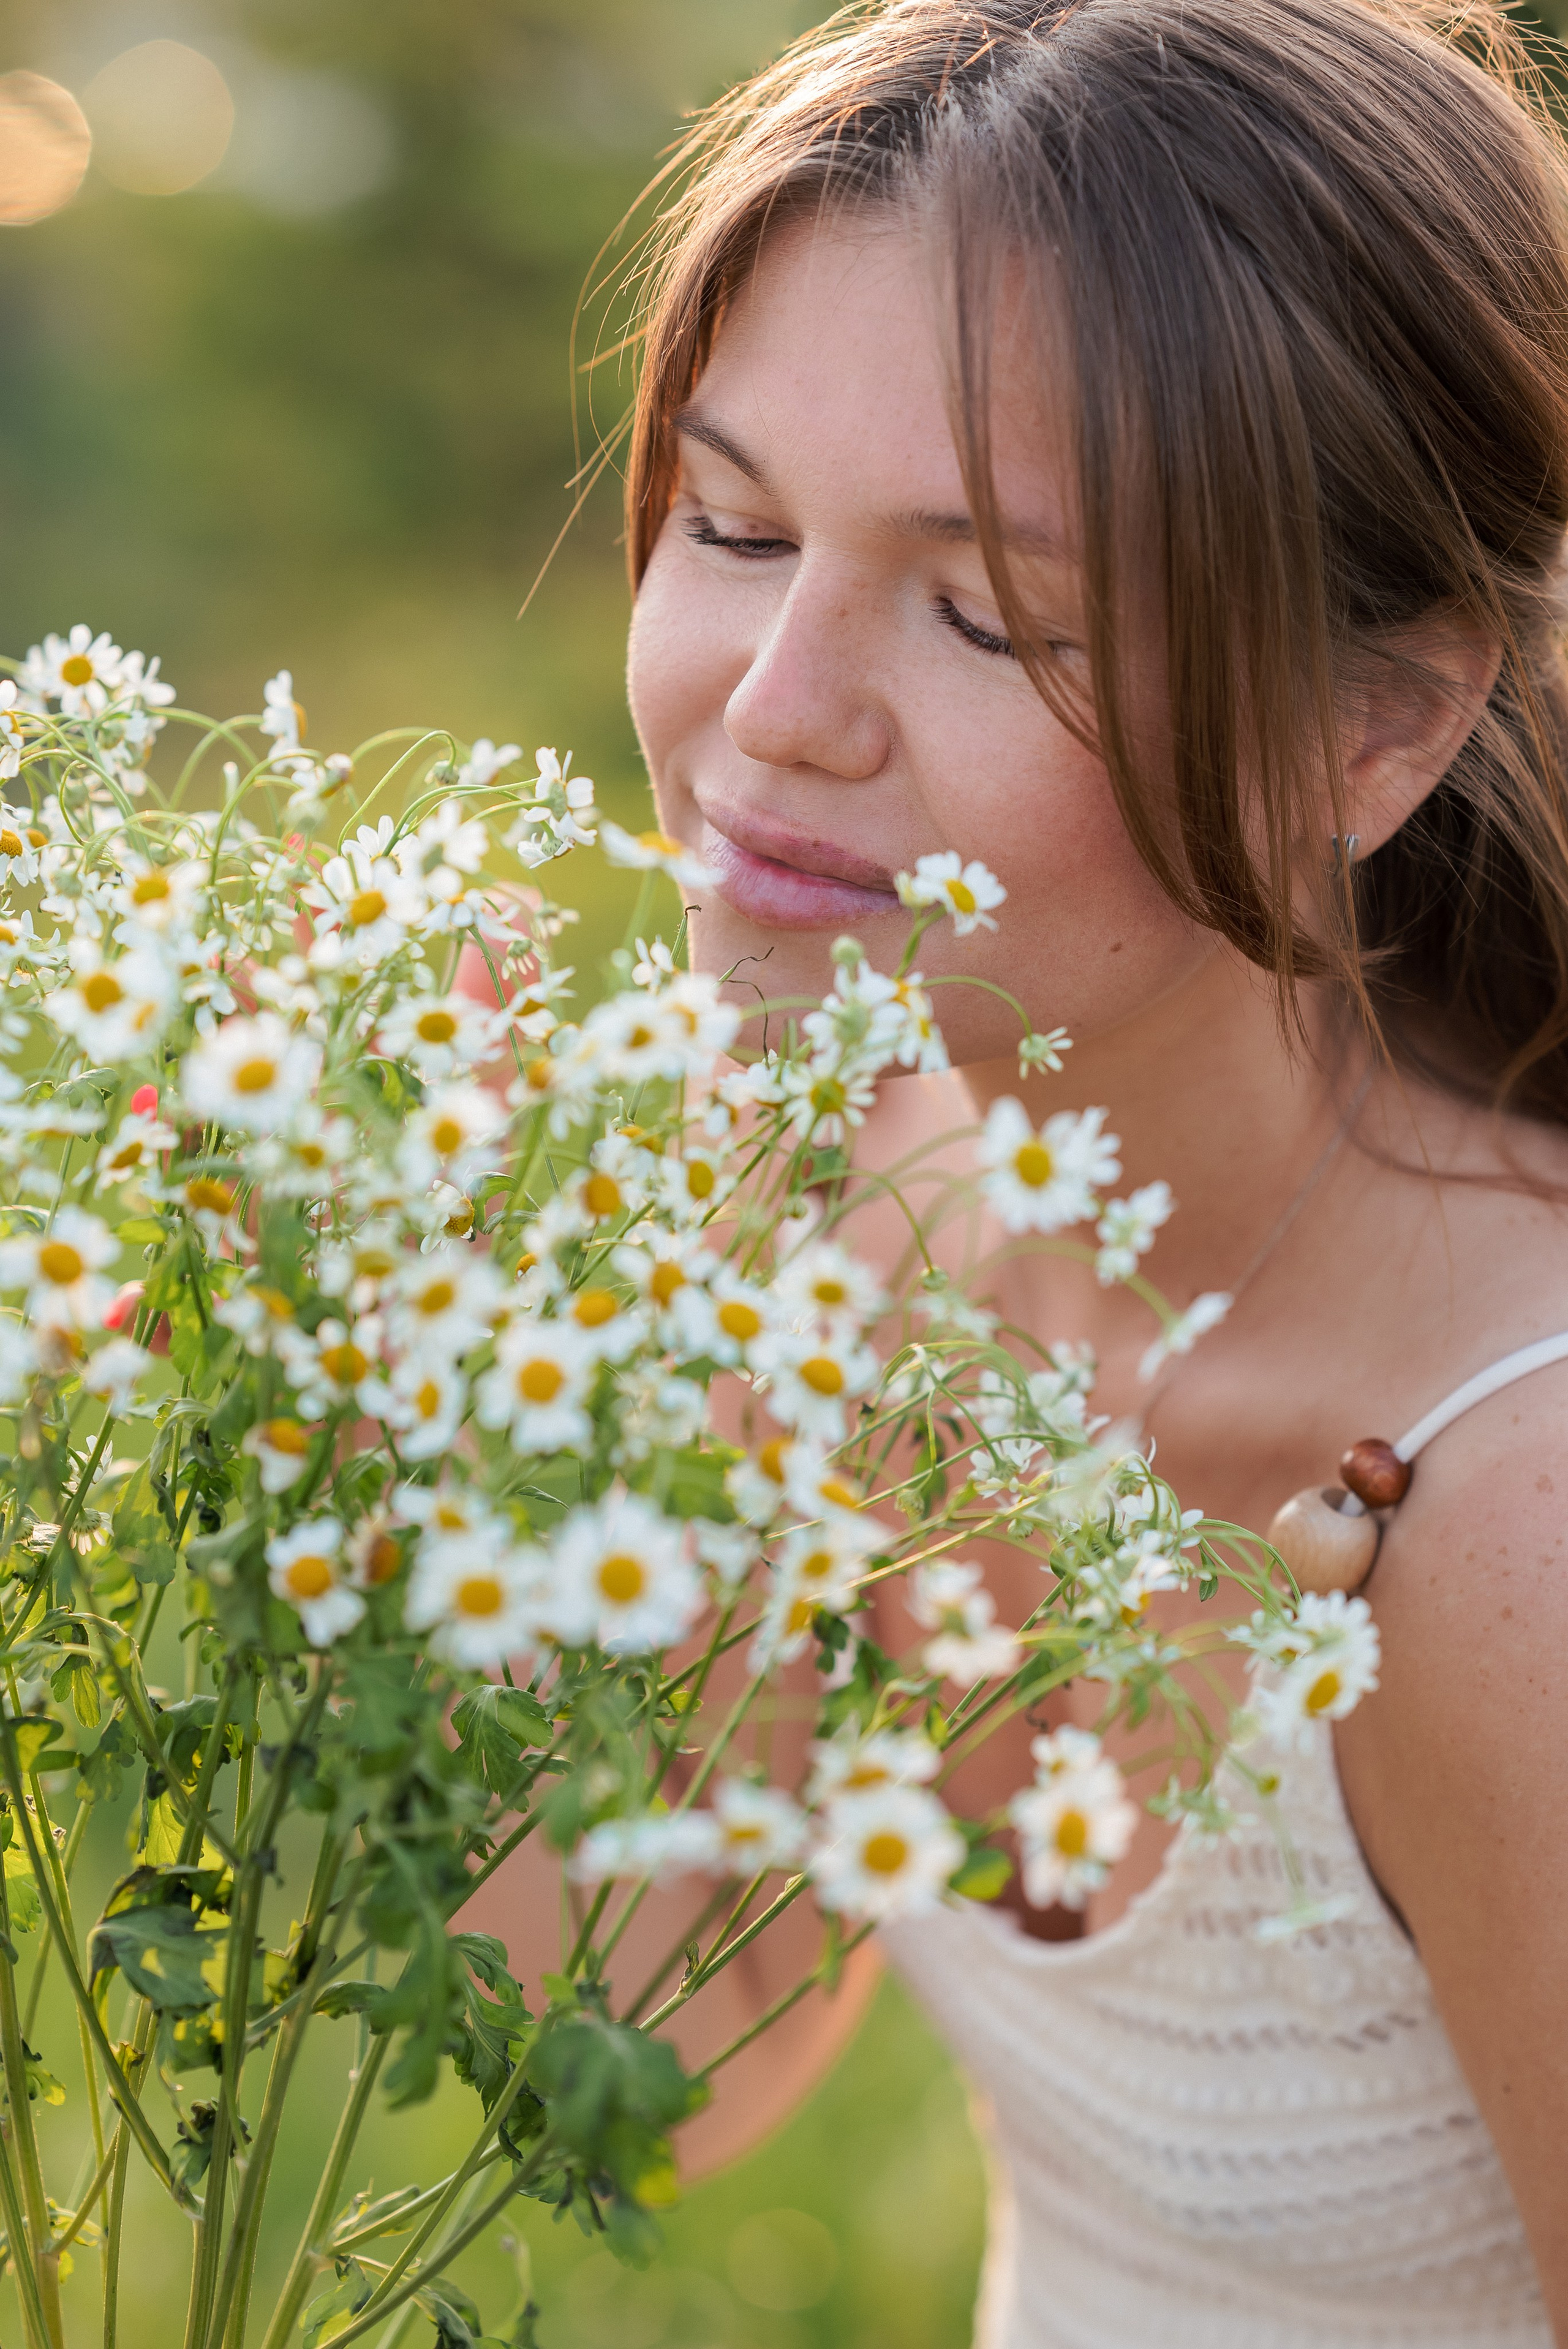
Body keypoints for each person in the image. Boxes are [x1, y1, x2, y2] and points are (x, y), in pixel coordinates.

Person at [479, 2, 1568, 2339]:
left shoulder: (1518, 1538)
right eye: (732, 523)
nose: (778, 704)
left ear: (1375, 725)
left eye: (989, 614)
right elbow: (630, 2063)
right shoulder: (858, 1188)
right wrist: (546, 1377)